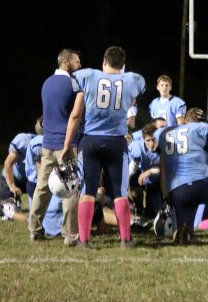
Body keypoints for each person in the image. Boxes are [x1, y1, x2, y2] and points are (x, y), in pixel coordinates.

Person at [60, 44, 146, 248]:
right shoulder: (132, 80)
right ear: (123, 64)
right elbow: (132, 99)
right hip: (117, 142)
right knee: (120, 193)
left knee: (87, 192)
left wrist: (67, 145)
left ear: (104, 61)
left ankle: (84, 240)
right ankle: (125, 239)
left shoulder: (88, 76)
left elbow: (75, 115)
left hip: (91, 141)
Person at [156, 107, 208, 243]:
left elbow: (163, 168)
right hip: (201, 184)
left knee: (183, 227)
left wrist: (166, 196)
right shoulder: (201, 127)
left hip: (177, 189)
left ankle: (183, 233)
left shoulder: (165, 133)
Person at [28, 48, 82, 246]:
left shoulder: (47, 83)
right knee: (70, 189)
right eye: (77, 61)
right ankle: (70, 235)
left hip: (48, 143)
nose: (79, 65)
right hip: (65, 144)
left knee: (42, 187)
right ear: (66, 63)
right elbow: (75, 115)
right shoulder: (73, 84)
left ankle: (34, 230)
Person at [128, 120, 164, 223]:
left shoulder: (165, 145)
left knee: (154, 213)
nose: (151, 144)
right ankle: (138, 207)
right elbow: (132, 167)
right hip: (146, 178)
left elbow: (168, 168)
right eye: (148, 140)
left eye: (153, 140)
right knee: (134, 180)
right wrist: (126, 183)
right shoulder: (136, 147)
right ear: (143, 140)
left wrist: (150, 171)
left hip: (160, 181)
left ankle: (165, 202)